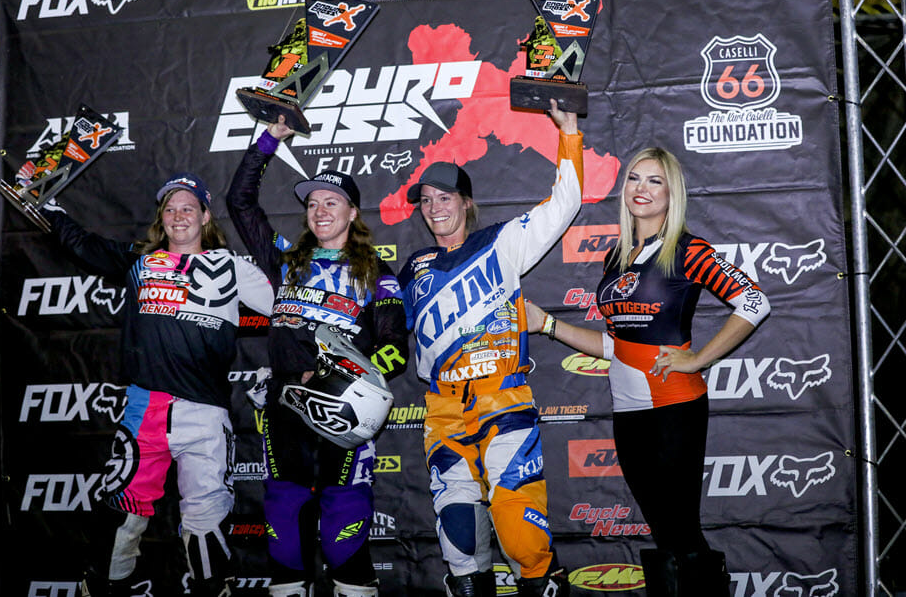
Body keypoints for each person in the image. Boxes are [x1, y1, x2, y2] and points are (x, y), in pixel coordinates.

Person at [525, 146, 771, 596]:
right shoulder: (617, 257)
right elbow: (616, 345)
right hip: (628, 410)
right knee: (663, 530)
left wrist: (699, 359)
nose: (642, 189)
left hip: (673, 404)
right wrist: (548, 324)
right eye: (635, 178)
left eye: (654, 180)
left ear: (671, 192)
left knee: (680, 530)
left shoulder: (688, 250)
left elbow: (755, 302)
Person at [41, 173, 275, 597]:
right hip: (144, 408)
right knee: (123, 515)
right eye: (170, 208)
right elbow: (84, 246)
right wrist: (48, 207)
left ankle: (212, 589)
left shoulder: (233, 266)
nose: (178, 215)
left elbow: (288, 309)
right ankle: (106, 588)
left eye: (188, 207)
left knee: (206, 521)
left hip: (206, 412)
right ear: (160, 219)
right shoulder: (140, 261)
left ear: (205, 215)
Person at [397, 100, 583, 597]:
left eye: (445, 197)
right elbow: (389, 333)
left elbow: (565, 204)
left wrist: (568, 134)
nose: (435, 207)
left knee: (521, 536)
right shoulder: (413, 266)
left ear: (466, 202)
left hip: (504, 401)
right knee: (459, 541)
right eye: (427, 200)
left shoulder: (502, 243)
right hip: (443, 412)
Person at [227, 118, 410, 597]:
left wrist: (338, 375)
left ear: (352, 212)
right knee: (285, 529)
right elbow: (239, 203)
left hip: (341, 412)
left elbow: (394, 349)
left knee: (343, 527)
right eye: (312, 203)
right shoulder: (286, 261)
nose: (320, 210)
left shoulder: (375, 271)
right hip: (285, 412)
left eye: (332, 202)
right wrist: (269, 142)